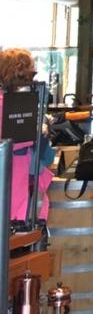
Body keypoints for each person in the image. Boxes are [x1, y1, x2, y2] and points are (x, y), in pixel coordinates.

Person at [0, 48, 54, 226]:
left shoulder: (22, 100)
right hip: (12, 171)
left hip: (20, 172)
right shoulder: (11, 103)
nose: (34, 73)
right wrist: (37, 131)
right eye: (31, 69)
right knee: (13, 223)